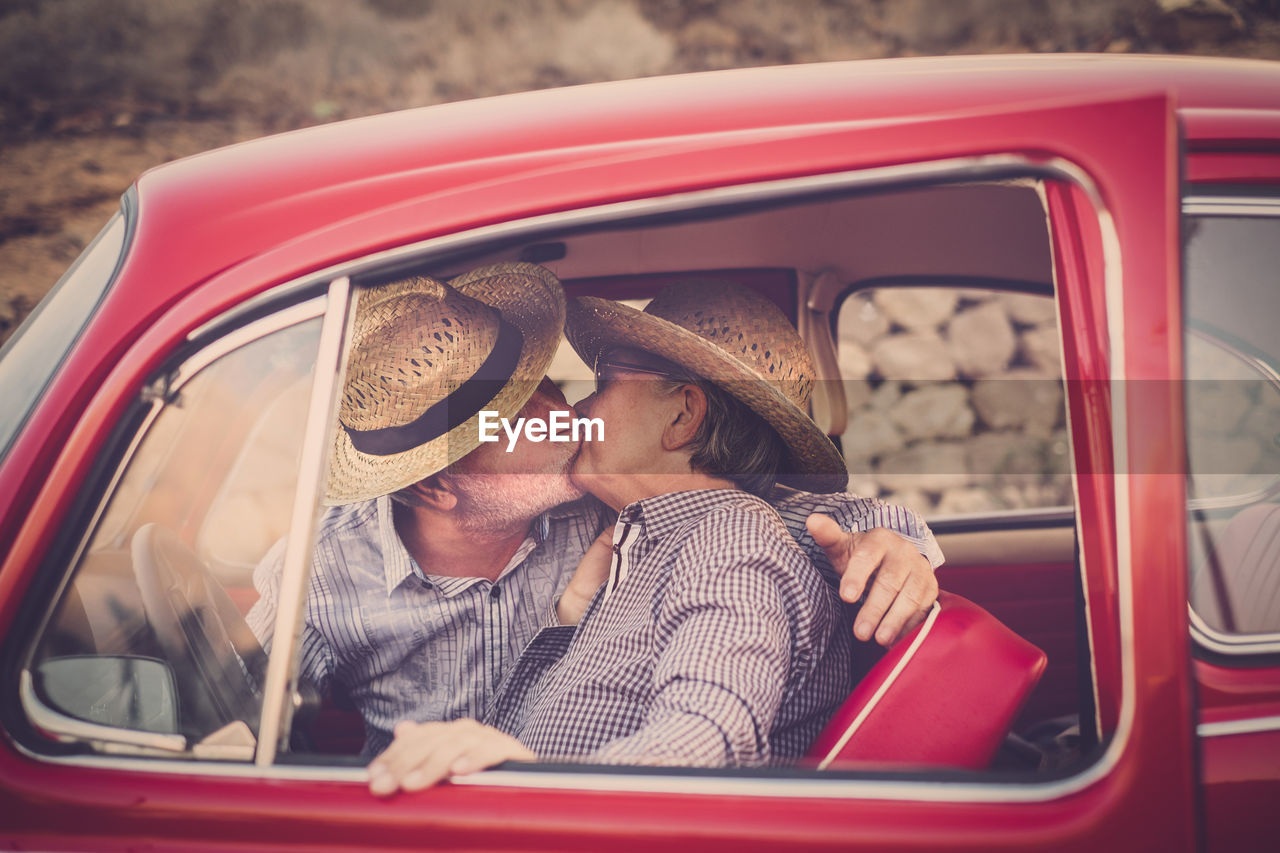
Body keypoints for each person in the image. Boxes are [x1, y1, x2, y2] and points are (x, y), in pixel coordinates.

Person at [249, 264, 943, 758]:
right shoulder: (322, 570)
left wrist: (893, 543)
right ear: (431, 486)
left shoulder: (629, 507)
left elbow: (751, 514)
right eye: (521, 418)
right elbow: (236, 716)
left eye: (547, 384)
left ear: (683, 413)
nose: (566, 414)